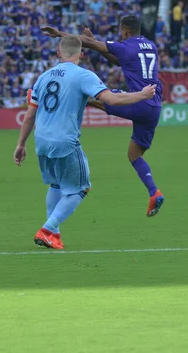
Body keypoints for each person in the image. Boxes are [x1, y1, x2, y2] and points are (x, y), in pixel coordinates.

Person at [13, 35, 156, 250]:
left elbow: (30, 115)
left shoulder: (43, 77)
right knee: (82, 188)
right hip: (65, 141)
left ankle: (55, 235)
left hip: (41, 141)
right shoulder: (83, 76)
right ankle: (47, 229)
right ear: (81, 54)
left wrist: (20, 144)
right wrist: (142, 94)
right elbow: (112, 99)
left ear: (59, 53)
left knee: (56, 184)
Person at [41, 16, 166, 218]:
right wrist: (96, 44)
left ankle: (79, 100)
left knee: (99, 96)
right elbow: (119, 59)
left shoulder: (125, 46)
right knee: (134, 155)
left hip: (137, 101)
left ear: (124, 31)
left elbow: (91, 44)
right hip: (154, 106)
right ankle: (154, 192)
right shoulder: (150, 46)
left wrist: (61, 34)